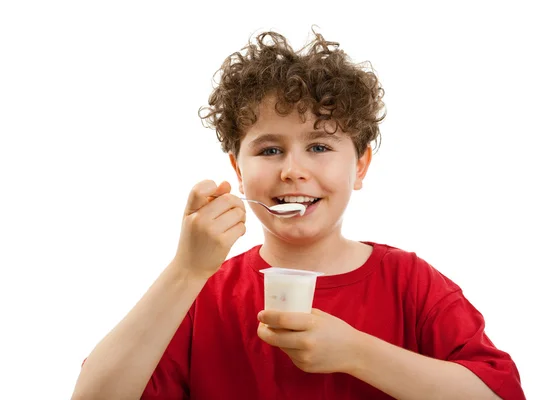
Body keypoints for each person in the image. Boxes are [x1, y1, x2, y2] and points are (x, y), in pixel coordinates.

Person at [72, 29, 525, 400]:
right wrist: (186, 270)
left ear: (361, 166)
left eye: (320, 147)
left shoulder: (413, 284)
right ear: (239, 172)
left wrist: (357, 354)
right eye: (270, 150)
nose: (293, 170)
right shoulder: (201, 296)